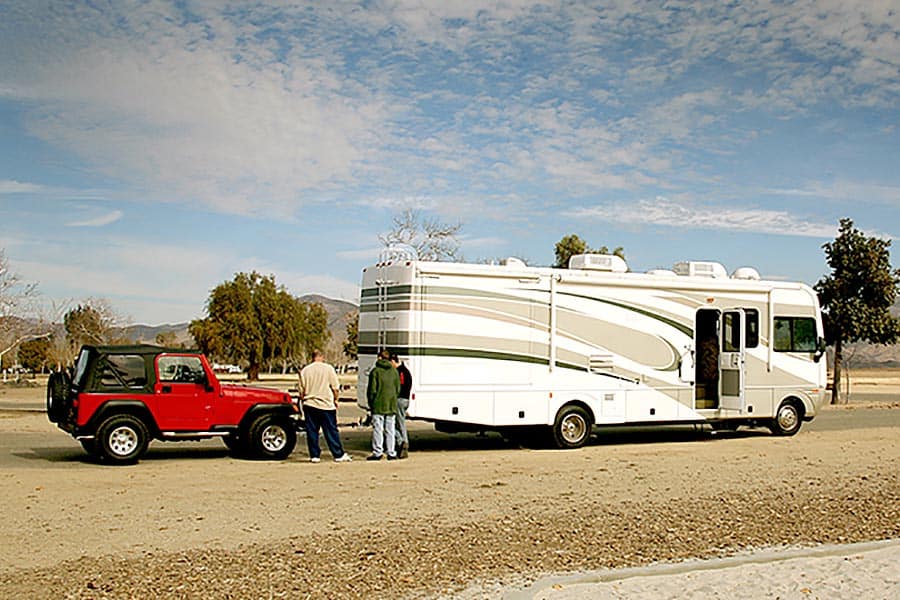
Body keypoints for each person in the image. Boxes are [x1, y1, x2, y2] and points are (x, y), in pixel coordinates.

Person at [299, 350, 352, 463]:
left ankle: (314, 455)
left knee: (312, 431)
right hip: (326, 404)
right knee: (331, 430)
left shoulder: (305, 370)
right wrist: (335, 399)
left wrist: (304, 398)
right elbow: (335, 387)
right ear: (322, 357)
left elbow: (301, 390)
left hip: (310, 403)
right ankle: (338, 454)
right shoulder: (328, 369)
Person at [366, 349, 400, 461]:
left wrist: (371, 402)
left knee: (378, 429)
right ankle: (391, 452)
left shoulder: (375, 371)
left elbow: (372, 390)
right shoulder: (394, 372)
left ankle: (378, 452)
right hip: (391, 404)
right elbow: (398, 389)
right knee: (390, 429)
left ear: (379, 357)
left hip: (378, 404)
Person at [390, 353, 412, 459]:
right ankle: (401, 442)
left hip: (400, 400)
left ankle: (403, 441)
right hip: (405, 399)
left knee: (398, 423)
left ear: (393, 361)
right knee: (397, 422)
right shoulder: (406, 371)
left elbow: (400, 387)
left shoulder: (400, 372)